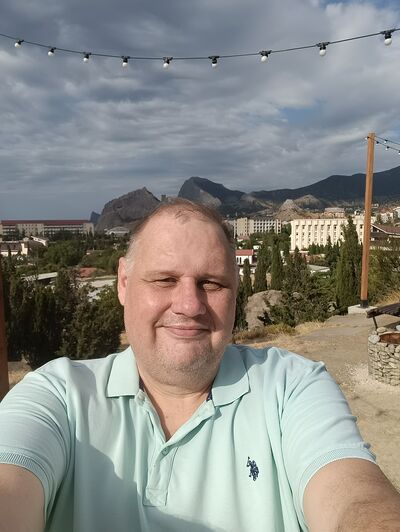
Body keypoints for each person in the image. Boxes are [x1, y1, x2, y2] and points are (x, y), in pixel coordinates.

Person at [0, 198, 400, 532]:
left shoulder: (292, 386)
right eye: (164, 280)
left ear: (235, 292)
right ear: (123, 282)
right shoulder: (58, 395)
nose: (190, 305)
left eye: (212, 283)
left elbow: (354, 497)